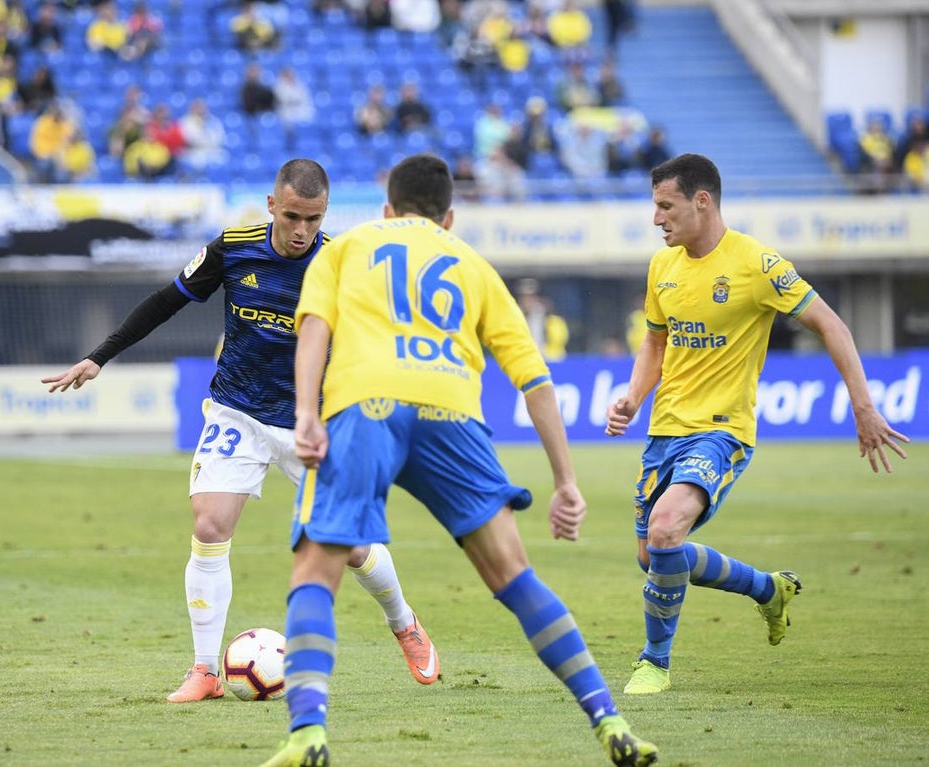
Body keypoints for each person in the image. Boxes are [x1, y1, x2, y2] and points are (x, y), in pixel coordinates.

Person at [261, 153, 658, 767]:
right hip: (452, 414)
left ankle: (308, 733)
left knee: (316, 572)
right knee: (516, 578)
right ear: (449, 216)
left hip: (365, 406)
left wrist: (308, 416)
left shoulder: (347, 246)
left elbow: (313, 327)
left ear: (387, 209)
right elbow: (535, 381)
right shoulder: (473, 264)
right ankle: (609, 719)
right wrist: (566, 483)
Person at [41, 159, 440, 705]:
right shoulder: (234, 248)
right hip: (238, 411)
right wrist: (99, 358)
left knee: (349, 545)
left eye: (314, 219)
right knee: (209, 523)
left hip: (311, 421)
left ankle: (404, 623)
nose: (302, 230)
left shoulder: (342, 263)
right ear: (272, 205)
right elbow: (166, 302)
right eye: (294, 216)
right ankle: (205, 670)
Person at [604, 153, 910, 696]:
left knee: (667, 527)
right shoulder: (662, 267)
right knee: (654, 556)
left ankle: (654, 662)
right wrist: (632, 396)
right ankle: (769, 590)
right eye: (655, 207)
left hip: (723, 430)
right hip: (664, 429)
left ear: (702, 201)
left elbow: (832, 325)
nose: (656, 219)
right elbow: (655, 340)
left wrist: (864, 407)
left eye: (665, 206)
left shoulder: (757, 264)